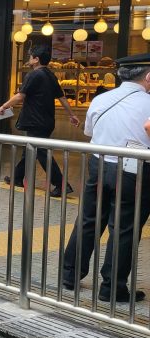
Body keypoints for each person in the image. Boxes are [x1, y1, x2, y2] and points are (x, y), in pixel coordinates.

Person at [60, 54, 150, 303]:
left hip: (98, 165)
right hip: (134, 171)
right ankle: (112, 288)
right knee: (124, 228)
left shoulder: (101, 99)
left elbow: (90, 132)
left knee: (89, 219)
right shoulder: (148, 103)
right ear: (148, 76)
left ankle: (69, 275)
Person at [0, 44, 79, 197]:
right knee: (30, 150)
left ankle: (61, 184)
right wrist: (71, 115)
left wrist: (3, 107)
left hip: (35, 120)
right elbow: (62, 98)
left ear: (36, 59)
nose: (29, 59)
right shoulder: (51, 75)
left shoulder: (34, 75)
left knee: (41, 152)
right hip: (47, 121)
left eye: (31, 56)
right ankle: (17, 177)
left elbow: (20, 96)